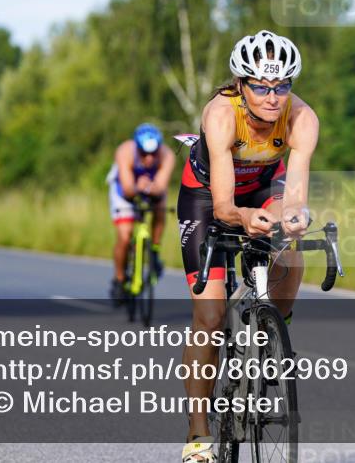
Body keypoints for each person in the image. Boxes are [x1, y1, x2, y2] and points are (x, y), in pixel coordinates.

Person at [177, 30, 319, 462]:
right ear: (241, 83)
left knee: (291, 251)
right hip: (207, 197)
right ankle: (199, 433)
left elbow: (294, 195)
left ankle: (275, 330)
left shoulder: (302, 119)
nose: (272, 97)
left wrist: (293, 217)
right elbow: (223, 206)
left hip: (262, 187)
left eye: (282, 86)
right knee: (210, 315)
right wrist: (244, 218)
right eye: (261, 86)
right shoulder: (221, 115)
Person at [106, 123, 175, 303]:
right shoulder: (125, 152)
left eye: (154, 153)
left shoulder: (167, 155)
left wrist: (152, 189)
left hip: (150, 189)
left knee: (161, 206)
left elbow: (161, 187)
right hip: (123, 191)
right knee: (125, 235)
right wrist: (139, 187)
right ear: (137, 147)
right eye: (144, 153)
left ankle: (154, 252)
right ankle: (119, 279)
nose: (150, 158)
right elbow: (128, 188)